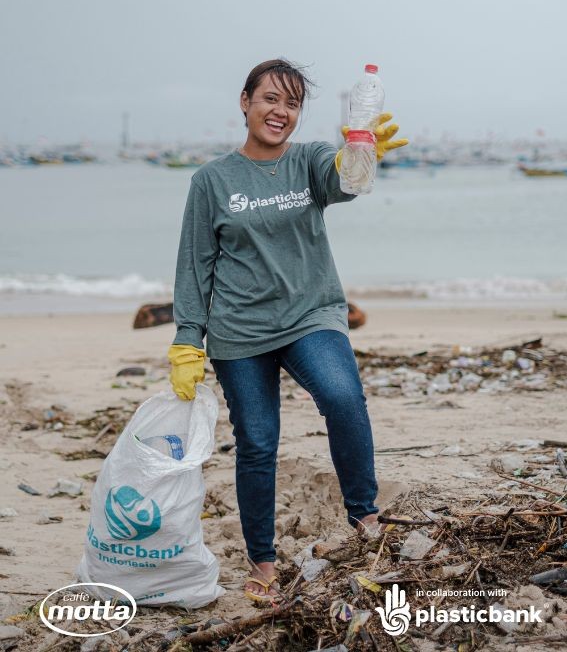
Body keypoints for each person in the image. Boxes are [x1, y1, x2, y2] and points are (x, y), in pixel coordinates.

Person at [168, 58, 408, 605]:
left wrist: (362, 153)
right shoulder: (211, 180)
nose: (281, 112)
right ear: (245, 101)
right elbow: (195, 262)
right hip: (239, 331)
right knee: (257, 443)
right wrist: (188, 336)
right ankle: (263, 561)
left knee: (344, 397)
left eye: (293, 104)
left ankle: (366, 520)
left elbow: (347, 184)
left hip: (310, 316)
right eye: (271, 99)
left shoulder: (310, 160)